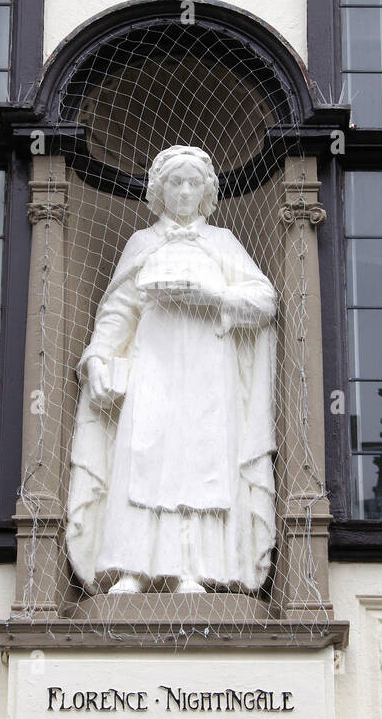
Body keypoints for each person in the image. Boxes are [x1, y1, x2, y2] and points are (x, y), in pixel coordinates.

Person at [66, 144, 277, 595]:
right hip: (152, 369)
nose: (184, 191)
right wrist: (99, 357)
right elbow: (118, 312)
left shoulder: (222, 244)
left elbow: (265, 301)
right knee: (144, 458)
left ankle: (193, 570)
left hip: (208, 374)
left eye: (193, 183)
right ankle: (133, 566)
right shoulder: (142, 243)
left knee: (201, 463)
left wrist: (214, 296)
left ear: (206, 192)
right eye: (175, 182)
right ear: (159, 191)